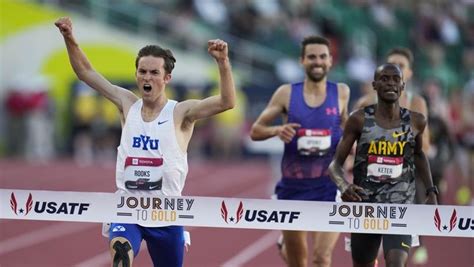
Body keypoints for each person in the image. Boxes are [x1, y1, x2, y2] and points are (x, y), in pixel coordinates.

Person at [55, 17, 236, 267]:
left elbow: (227, 102)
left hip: (167, 212)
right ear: (136, 74)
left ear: (167, 78)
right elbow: (85, 72)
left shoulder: (180, 112)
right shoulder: (126, 103)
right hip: (128, 207)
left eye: (154, 72)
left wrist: (223, 62)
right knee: (122, 255)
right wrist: (69, 38)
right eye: (142, 72)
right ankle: (123, 253)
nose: (146, 78)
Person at [250, 35, 350, 267]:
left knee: (322, 258)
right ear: (302, 61)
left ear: (330, 61)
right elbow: (256, 130)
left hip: (329, 186)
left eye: (322, 57)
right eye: (312, 57)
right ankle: (286, 246)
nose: (318, 62)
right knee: (298, 262)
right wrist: (277, 130)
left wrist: (351, 148)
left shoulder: (342, 92)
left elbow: (346, 127)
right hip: (293, 188)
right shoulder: (286, 93)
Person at [328, 63, 438, 267]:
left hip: (400, 206)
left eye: (396, 79)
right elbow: (335, 165)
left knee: (396, 263)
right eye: (384, 78)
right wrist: (344, 186)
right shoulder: (359, 119)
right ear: (374, 85)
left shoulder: (415, 121)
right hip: (365, 207)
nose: (390, 83)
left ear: (403, 86)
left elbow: (419, 154)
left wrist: (431, 190)